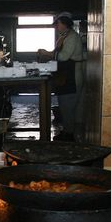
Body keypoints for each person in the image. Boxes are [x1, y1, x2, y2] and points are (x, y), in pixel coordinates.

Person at [37, 12, 86, 142]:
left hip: (72, 76)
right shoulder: (63, 36)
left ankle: (69, 135)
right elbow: (57, 53)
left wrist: (48, 54)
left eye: (57, 24)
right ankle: (67, 131)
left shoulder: (72, 37)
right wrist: (49, 53)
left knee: (68, 106)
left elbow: (64, 56)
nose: (56, 27)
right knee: (64, 106)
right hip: (64, 75)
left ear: (64, 23)